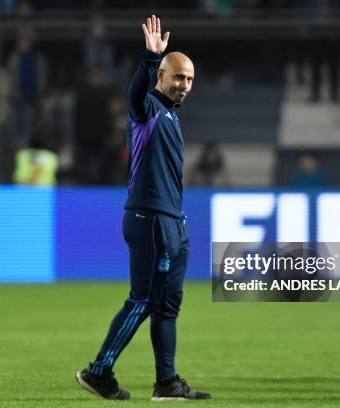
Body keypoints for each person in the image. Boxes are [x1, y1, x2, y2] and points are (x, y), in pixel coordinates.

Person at [75, 15, 211, 401]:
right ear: (162, 77)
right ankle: (98, 371)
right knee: (144, 300)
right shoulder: (148, 108)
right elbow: (134, 95)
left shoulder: (171, 115)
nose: (184, 85)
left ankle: (166, 383)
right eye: (178, 77)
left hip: (172, 221)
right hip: (149, 219)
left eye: (189, 80)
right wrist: (151, 58)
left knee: (168, 306)